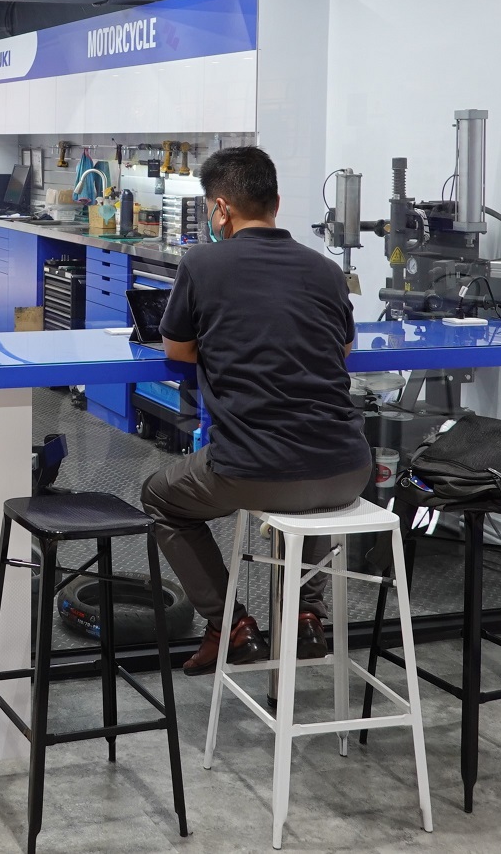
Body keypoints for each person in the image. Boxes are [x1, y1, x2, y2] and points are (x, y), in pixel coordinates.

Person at [141, 145, 371, 674]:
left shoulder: (202, 262)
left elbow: (177, 349)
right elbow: (342, 349)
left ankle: (231, 626)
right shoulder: (325, 270)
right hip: (348, 469)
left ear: (221, 210)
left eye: (210, 209)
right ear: (276, 203)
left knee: (160, 497)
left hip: (253, 470)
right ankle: (305, 617)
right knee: (310, 489)